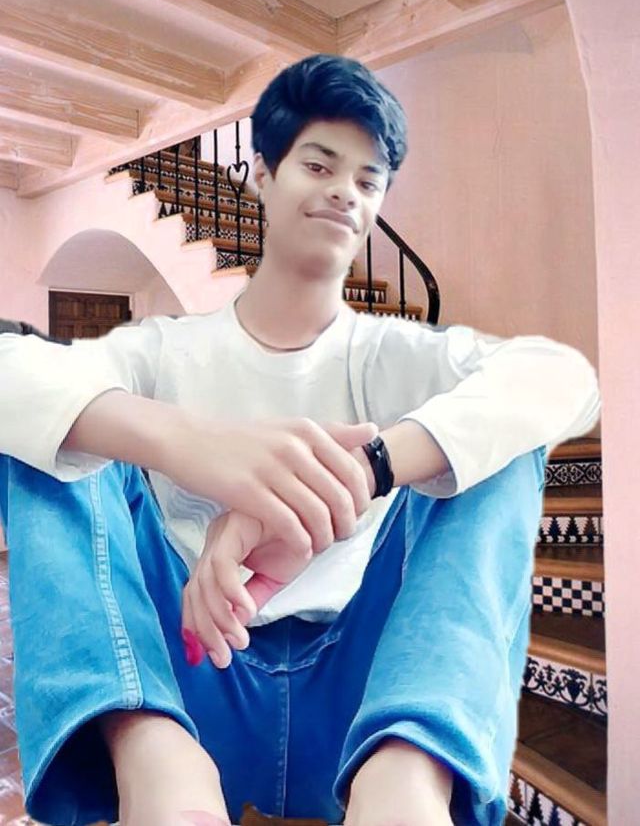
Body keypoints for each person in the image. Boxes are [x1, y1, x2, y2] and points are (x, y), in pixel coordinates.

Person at [0, 54, 600, 826]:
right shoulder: (165, 349)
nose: (346, 191)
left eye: (368, 180)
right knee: (48, 431)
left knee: (498, 438)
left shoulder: (393, 354)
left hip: (365, 698)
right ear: (261, 173)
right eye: (319, 165)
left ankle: (408, 780)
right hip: (190, 671)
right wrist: (195, 446)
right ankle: (153, 759)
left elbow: (565, 377)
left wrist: (367, 467)